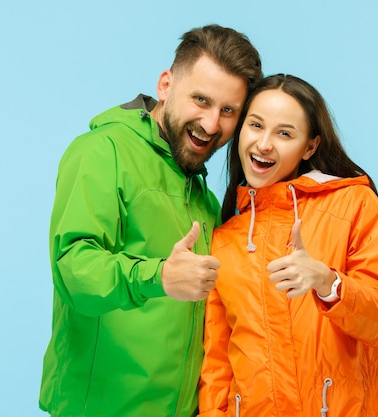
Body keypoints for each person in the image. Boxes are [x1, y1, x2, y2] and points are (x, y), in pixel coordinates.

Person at [39, 25, 262, 417]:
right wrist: (159, 277)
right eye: (200, 100)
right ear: (165, 85)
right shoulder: (102, 151)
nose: (211, 124)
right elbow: (73, 270)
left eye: (227, 111)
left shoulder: (204, 199)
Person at [198, 74, 378, 417]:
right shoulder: (226, 238)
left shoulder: (354, 205)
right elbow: (217, 364)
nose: (264, 144)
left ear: (310, 146)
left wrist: (328, 282)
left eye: (284, 133)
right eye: (256, 125)